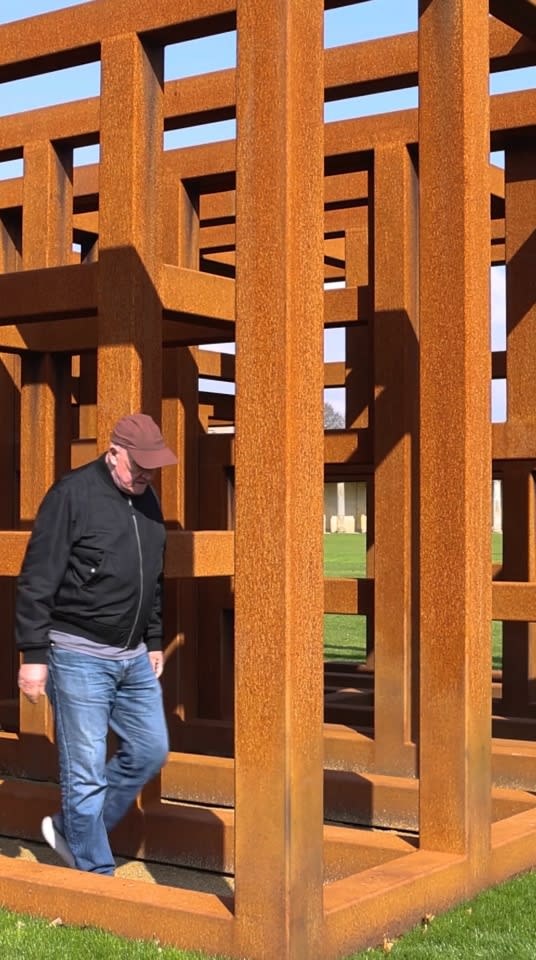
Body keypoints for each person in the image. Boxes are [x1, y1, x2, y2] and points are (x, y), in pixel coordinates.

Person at [16, 413, 177, 875]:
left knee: (150, 749)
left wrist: (152, 638)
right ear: (113, 454)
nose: (147, 474)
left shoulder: (148, 500)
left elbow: (153, 578)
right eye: (139, 465)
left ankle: (74, 827)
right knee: (84, 771)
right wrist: (33, 657)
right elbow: (37, 578)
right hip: (77, 654)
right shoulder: (71, 495)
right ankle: (96, 874)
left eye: (154, 466)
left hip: (132, 658)